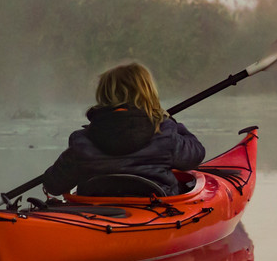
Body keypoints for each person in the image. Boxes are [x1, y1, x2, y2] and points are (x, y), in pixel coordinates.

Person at [42, 62, 205, 197]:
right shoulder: (164, 133)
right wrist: (171, 122)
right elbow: (196, 154)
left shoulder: (82, 141)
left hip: (94, 214)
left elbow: (53, 185)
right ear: (148, 94)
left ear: (103, 96)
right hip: (157, 211)